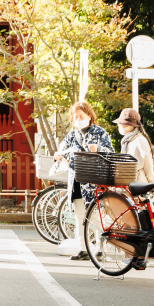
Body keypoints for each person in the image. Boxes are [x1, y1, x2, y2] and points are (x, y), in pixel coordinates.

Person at [54, 101, 113, 261]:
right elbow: (62, 148)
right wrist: (59, 155)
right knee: (80, 217)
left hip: (93, 181)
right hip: (76, 181)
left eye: (81, 115)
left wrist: (98, 149)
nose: (78, 119)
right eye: (76, 116)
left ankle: (101, 248)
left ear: (89, 115)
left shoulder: (100, 132)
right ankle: (83, 248)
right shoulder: (72, 134)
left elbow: (111, 152)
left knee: (94, 216)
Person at [113, 108, 154, 184]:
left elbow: (148, 166)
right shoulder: (127, 141)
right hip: (127, 184)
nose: (120, 126)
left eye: (123, 123)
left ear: (131, 125)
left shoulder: (140, 140)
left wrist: (151, 184)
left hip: (138, 186)